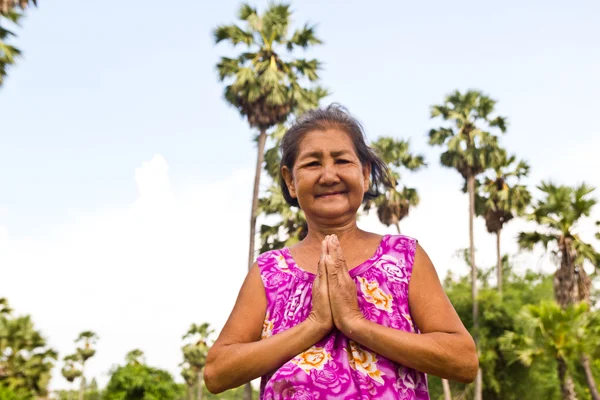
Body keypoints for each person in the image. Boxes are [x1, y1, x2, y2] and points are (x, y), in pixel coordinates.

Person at [204, 104, 478, 399]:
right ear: (290, 181)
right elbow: (217, 372)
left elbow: (462, 361)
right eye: (311, 164)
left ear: (364, 173)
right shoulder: (270, 272)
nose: (328, 175)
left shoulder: (403, 257)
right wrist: (315, 324)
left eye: (342, 160)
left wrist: (354, 323)